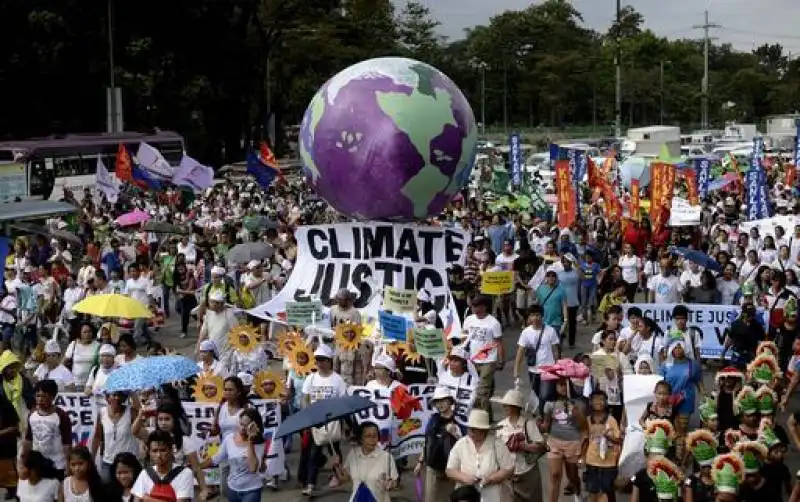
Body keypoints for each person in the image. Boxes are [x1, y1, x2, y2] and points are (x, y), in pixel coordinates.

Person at [445, 410, 515, 502]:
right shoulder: (461, 444)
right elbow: (450, 470)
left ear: (483, 431)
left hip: (492, 496)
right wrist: (464, 478)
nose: (470, 433)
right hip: (466, 497)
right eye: (469, 429)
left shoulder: (497, 443)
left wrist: (491, 478)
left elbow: (508, 468)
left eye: (473, 430)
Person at [200, 408, 265, 502]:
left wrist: (250, 441)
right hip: (232, 489)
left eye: (246, 426)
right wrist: (197, 466)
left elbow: (252, 468)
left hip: (251, 490)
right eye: (241, 424)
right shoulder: (229, 439)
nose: (242, 428)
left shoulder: (259, 443)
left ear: (254, 426)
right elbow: (215, 459)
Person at [493, 389, 546, 502]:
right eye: (505, 405)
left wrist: (522, 446)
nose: (505, 407)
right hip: (508, 475)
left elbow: (541, 446)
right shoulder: (500, 426)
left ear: (516, 407)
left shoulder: (528, 424)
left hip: (527, 473)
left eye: (508, 405)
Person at [415, 387, 465, 501]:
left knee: (451, 497)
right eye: (437, 401)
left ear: (450, 401)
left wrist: (455, 433)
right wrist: (420, 462)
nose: (439, 404)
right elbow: (427, 441)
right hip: (432, 466)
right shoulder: (433, 420)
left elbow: (466, 443)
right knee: (430, 498)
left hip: (453, 468)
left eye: (443, 400)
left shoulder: (459, 420)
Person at [333, 421, 398, 502]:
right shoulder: (353, 454)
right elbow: (345, 479)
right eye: (368, 436)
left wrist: (391, 484)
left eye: (375, 436)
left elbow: (394, 481)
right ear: (361, 438)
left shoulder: (386, 457)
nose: (372, 439)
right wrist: (337, 466)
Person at [461, 294, 504, 418]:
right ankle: (488, 418)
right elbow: (464, 337)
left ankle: (483, 420)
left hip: (488, 360)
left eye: (477, 306)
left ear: (484, 307)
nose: (474, 309)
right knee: (477, 390)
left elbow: (498, 342)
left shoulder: (493, 323)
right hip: (472, 360)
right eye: (473, 306)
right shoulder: (469, 320)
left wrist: (501, 360)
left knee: (482, 392)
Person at [22, 379, 71, 479]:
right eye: (37, 396)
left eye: (43, 396)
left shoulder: (61, 416)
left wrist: (68, 463)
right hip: (37, 464)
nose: (40, 400)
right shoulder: (32, 415)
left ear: (52, 397)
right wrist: (24, 460)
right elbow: (28, 439)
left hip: (57, 464)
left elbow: (67, 443)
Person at [131, 430, 194, 502]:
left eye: (163, 450)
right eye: (155, 451)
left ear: (171, 450)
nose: (158, 455)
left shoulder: (185, 473)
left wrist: (148, 499)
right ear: (149, 452)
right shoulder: (145, 474)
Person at [91, 392, 139, 483]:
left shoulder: (131, 411)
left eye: (120, 395)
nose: (117, 398)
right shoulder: (102, 413)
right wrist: (92, 459)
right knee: (108, 492)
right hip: (108, 462)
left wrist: (133, 393)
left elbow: (141, 414)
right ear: (107, 397)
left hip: (128, 462)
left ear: (124, 398)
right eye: (113, 395)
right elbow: (97, 437)